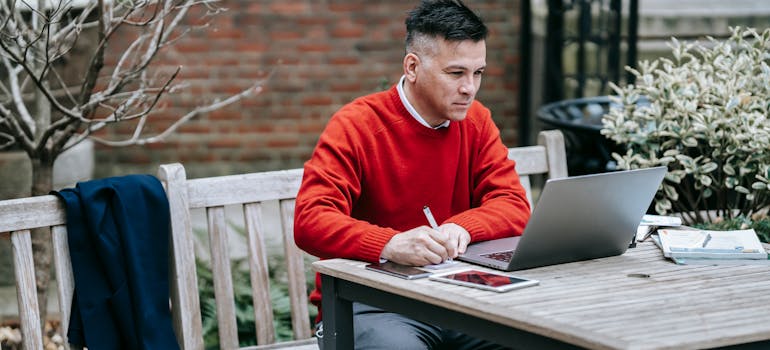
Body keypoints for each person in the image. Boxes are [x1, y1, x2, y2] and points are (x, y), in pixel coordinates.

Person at [294, 1, 531, 348]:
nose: (470, 87)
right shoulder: (357, 125)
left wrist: (460, 227)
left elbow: (513, 204)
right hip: (370, 302)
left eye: (478, 72)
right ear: (413, 66)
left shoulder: (477, 121)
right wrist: (390, 243)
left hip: (461, 295)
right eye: (456, 73)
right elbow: (311, 220)